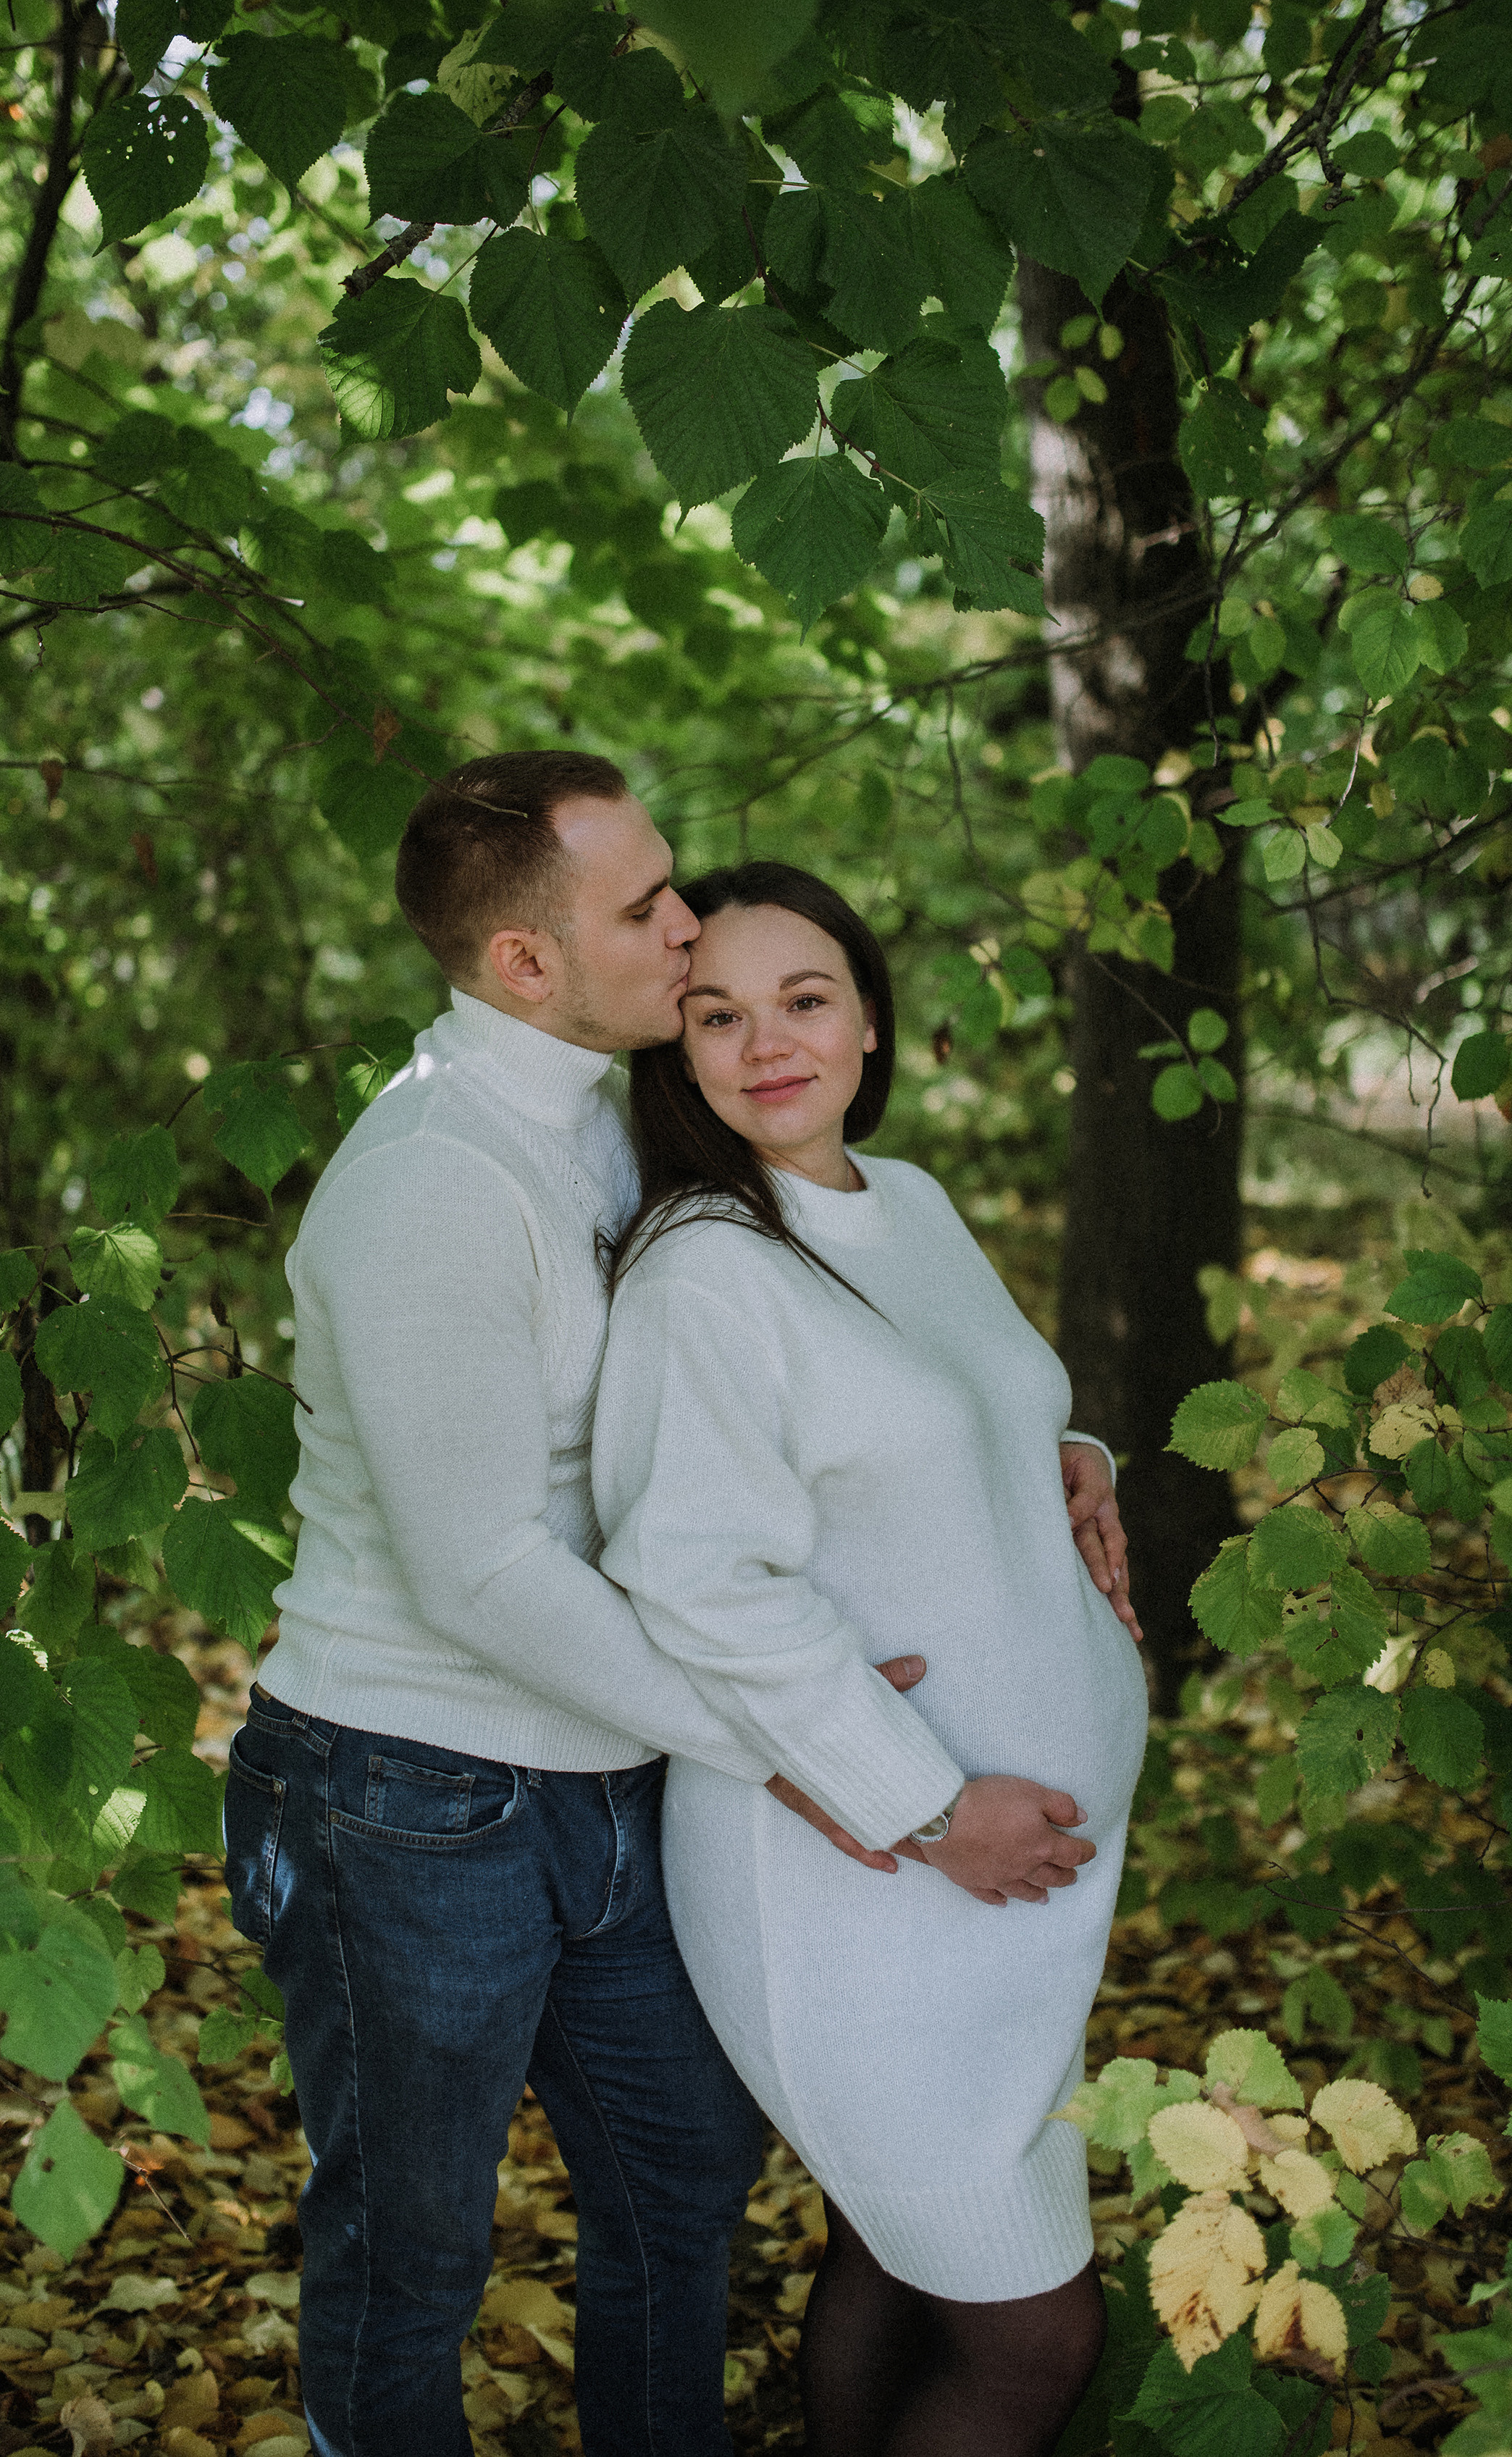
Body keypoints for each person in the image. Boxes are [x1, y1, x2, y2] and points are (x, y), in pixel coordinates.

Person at [224, 756, 1133, 2457]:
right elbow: (482, 1575)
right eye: (648, 908)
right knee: (415, 2255)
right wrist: (845, 1765)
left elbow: (844, 1322)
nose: (688, 919)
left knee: (679, 2205)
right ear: (522, 965)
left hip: (626, 1763)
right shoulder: (433, 1177)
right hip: (414, 1787)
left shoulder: (641, 1104)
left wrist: (1051, 1440)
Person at [592, 860, 1150, 2457]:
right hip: (861, 1881)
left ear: (870, 1018)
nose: (767, 1043)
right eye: (718, 1014)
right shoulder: (708, 1264)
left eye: (804, 998)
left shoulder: (905, 1202)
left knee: (894, 2263)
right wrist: (926, 1804)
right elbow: (700, 1585)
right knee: (1038, 2338)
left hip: (995, 1904)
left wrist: (1073, 1445)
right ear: (674, 1050)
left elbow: (960, 1402)